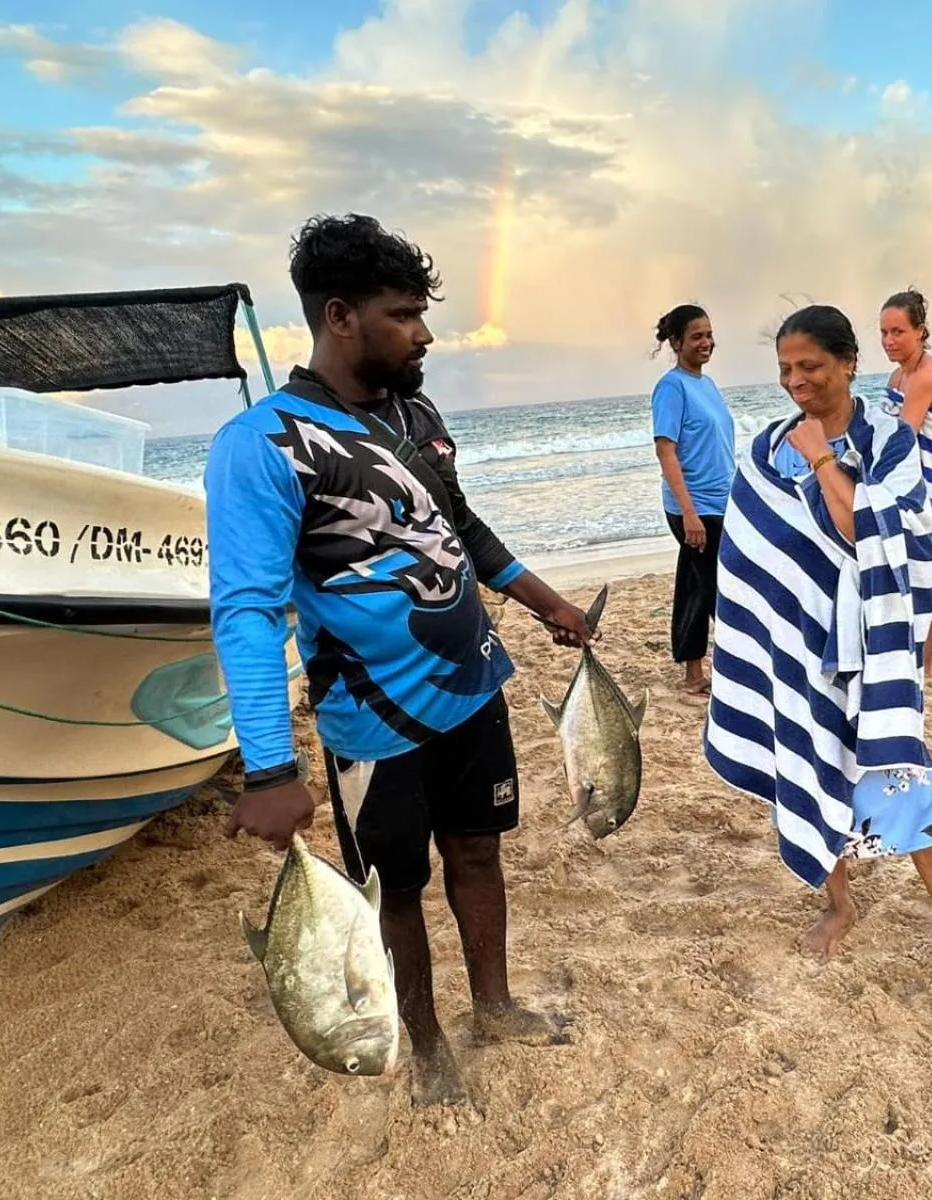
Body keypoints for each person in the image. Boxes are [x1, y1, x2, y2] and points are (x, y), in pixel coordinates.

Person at [205, 213, 596, 1108]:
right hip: (372, 719)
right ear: (340, 316)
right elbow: (248, 610)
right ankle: (425, 1048)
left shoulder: (415, 413)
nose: (424, 334)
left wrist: (547, 603)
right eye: (404, 315)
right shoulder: (264, 443)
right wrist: (270, 769)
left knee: (479, 852)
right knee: (396, 888)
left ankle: (493, 1006)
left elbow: (461, 527)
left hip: (473, 687)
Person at [703, 304, 932, 1002]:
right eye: (785, 369)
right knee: (807, 765)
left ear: (848, 363)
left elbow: (874, 534)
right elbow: (752, 554)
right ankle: (841, 905)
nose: (796, 381)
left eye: (810, 366)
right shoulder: (767, 447)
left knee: (905, 779)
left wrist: (821, 457)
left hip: (875, 646)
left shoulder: (889, 438)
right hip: (801, 647)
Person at [651, 304, 736, 697]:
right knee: (716, 588)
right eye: (697, 336)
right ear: (676, 342)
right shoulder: (672, 388)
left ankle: (693, 672)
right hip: (694, 506)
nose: (706, 342)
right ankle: (710, 673)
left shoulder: (708, 384)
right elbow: (666, 450)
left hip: (721, 501)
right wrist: (689, 513)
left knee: (696, 584)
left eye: (709, 334)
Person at [881, 289, 932, 683]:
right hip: (909, 486)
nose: (889, 340)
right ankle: (909, 660)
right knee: (907, 569)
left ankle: (925, 668)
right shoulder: (897, 376)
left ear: (921, 331)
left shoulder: (927, 376)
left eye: (898, 331)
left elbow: (901, 438)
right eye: (884, 332)